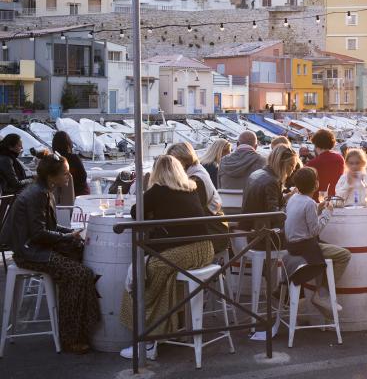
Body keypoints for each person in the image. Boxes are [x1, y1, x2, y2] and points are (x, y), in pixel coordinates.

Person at [1, 154, 99, 354]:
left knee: (81, 266)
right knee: (78, 274)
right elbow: (38, 234)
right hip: (29, 253)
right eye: (65, 173)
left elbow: (49, 227)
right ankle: (71, 338)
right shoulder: (38, 194)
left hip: (34, 248)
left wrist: (69, 233)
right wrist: (67, 237)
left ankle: (82, 329)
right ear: (51, 176)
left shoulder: (43, 190)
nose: (69, 176)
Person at [120, 155, 213, 361]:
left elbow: (137, 212)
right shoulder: (191, 188)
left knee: (144, 276)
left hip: (184, 250)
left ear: (157, 173)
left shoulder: (159, 190)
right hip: (205, 249)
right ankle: (172, 329)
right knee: (165, 277)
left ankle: (148, 341)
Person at [285, 166, 351, 315]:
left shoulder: (294, 198)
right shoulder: (308, 203)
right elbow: (314, 231)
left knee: (329, 249)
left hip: (291, 244)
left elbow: (302, 219)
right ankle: (322, 294)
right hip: (304, 247)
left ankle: (322, 292)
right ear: (316, 184)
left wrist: (318, 208)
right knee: (344, 254)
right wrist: (328, 213)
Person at [241, 145, 300, 247]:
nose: (293, 169)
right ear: (281, 164)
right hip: (265, 238)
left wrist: (289, 196)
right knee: (304, 236)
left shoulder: (257, 173)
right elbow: (275, 216)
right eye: (291, 165)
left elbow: (265, 205)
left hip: (251, 231)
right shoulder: (272, 182)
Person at [166, 142, 222, 214]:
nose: (172, 165)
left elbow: (191, 208)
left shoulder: (195, 180)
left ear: (185, 159)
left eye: (174, 161)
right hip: (209, 216)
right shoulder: (197, 169)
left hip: (209, 220)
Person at [306, 129, 345, 201]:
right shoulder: (340, 159)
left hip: (317, 199)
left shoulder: (312, 163)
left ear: (316, 144)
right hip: (336, 198)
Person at [52, 130, 89, 196]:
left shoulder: (53, 160)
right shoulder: (74, 158)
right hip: (79, 194)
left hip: (59, 196)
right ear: (68, 144)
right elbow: (83, 177)